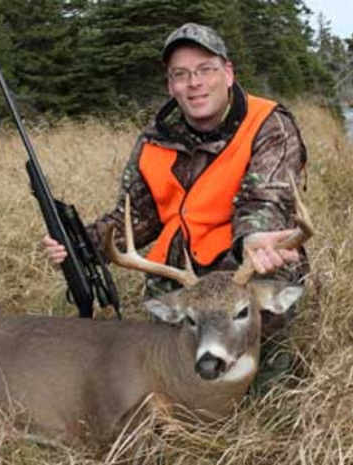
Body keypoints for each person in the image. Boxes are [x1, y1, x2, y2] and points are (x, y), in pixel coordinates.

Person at [44, 23, 309, 389]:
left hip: (240, 262)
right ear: (171, 86)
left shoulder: (268, 124)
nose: (194, 83)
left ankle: (269, 384)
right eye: (181, 75)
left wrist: (253, 238)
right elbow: (135, 217)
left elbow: (266, 197)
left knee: (263, 277)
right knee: (171, 375)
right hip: (179, 269)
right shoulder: (156, 139)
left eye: (205, 70)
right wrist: (81, 244)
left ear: (228, 73)